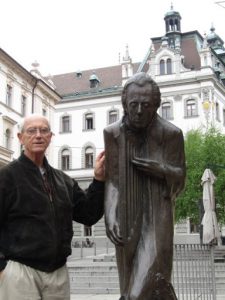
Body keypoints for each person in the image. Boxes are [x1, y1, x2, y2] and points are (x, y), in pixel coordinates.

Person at [0, 114, 105, 300]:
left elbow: (88, 215)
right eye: (32, 131)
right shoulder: (6, 177)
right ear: (20, 137)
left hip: (57, 273)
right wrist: (1, 268)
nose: (38, 135)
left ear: (51, 136)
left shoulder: (63, 180)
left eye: (44, 130)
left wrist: (98, 180)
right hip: (20, 270)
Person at [104, 72, 186, 300]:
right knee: (130, 287)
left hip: (158, 218)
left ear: (156, 105)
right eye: (134, 104)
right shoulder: (112, 133)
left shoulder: (171, 134)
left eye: (146, 105)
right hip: (126, 216)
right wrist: (110, 214)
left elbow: (181, 178)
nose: (139, 111)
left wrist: (162, 170)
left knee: (138, 292)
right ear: (124, 104)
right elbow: (112, 179)